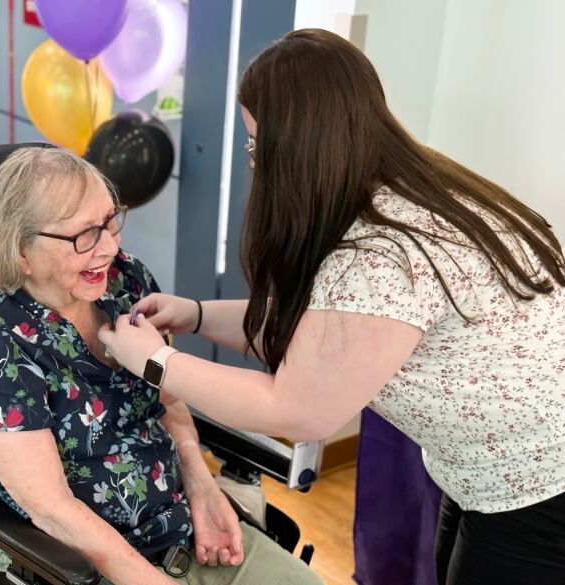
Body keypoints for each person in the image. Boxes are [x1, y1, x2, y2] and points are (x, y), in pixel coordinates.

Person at [98, 28, 565, 585]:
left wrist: (155, 361)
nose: (252, 162)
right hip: (488, 469)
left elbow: (300, 407)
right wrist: (195, 314)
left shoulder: (380, 254)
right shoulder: (412, 191)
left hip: (538, 484)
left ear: (301, 144)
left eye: (255, 144)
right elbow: (326, 341)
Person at [0, 147, 323, 585]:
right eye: (84, 235)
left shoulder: (125, 280)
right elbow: (52, 510)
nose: (110, 246)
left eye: (110, 221)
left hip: (181, 526)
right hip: (73, 564)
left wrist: (202, 486)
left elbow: (166, 398)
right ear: (21, 250)